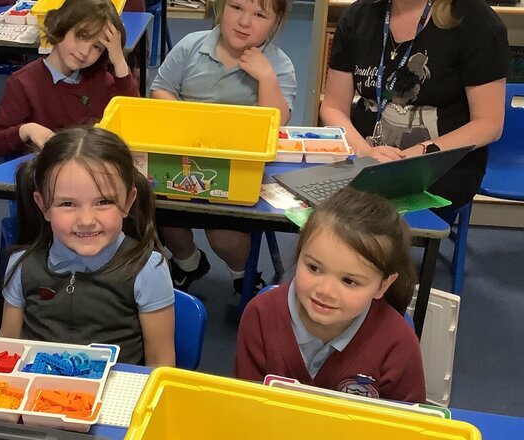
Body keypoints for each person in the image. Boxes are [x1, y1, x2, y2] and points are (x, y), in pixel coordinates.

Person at [149, 0, 297, 295]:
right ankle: (188, 262)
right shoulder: (192, 45)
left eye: (259, 15)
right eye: (236, 7)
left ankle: (242, 274)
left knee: (224, 237)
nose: (244, 22)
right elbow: (160, 89)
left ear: (275, 21)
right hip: (183, 161)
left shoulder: (278, 64)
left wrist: (266, 77)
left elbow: (277, 122)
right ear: (220, 8)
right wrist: (187, 119)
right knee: (162, 216)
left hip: (238, 173)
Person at [0, 127, 176, 367]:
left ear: (128, 201)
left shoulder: (147, 269)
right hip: (36, 396)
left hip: (114, 399)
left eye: (103, 202)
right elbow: (6, 350)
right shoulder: (22, 264)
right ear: (43, 205)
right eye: (68, 203)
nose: (86, 220)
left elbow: (160, 362)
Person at [234, 187, 426, 403]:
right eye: (314, 268)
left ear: (383, 285)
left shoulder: (398, 344)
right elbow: (247, 405)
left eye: (349, 281)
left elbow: (406, 424)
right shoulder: (261, 315)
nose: (325, 291)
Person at [319, 0, 510, 213]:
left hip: (437, 168)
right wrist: (363, 151)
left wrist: (416, 155)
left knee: (364, 220)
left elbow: (489, 123)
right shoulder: (357, 17)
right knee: (319, 211)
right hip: (365, 160)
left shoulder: (477, 22)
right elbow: (333, 107)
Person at [0, 0, 139, 158]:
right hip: (47, 173)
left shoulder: (99, 77)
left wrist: (119, 61)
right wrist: (26, 130)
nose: (85, 52)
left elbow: (133, 120)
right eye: (81, 36)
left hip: (91, 167)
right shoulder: (23, 83)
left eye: (96, 47)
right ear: (62, 26)